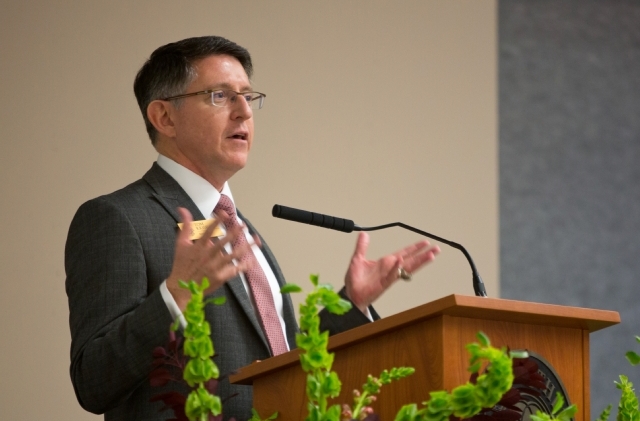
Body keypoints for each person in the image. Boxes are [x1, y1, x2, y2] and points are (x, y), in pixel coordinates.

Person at [65, 35, 440, 421]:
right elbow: (94, 380)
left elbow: (279, 361)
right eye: (220, 96)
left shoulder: (240, 227)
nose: (244, 111)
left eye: (248, 96)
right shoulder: (117, 218)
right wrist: (176, 295)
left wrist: (349, 304)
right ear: (164, 117)